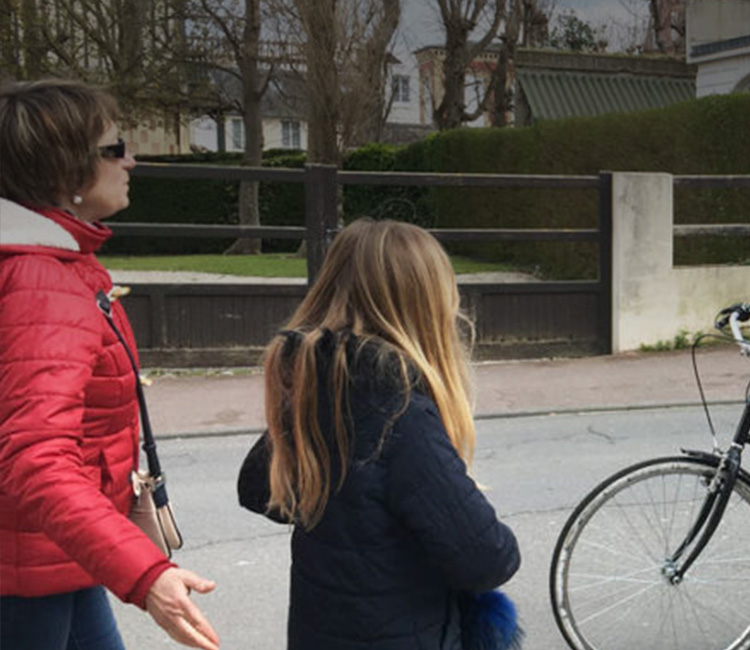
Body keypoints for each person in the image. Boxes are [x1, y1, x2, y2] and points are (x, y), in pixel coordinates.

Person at [1, 79, 222, 650]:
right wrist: (146, 574)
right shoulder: (38, 280)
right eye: (113, 148)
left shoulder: (58, 263)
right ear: (64, 172)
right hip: (25, 575)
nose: (131, 160)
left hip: (57, 553)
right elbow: (35, 459)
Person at [236, 219, 520, 650]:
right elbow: (488, 558)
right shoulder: (399, 414)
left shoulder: (322, 394)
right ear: (427, 308)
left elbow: (263, 493)